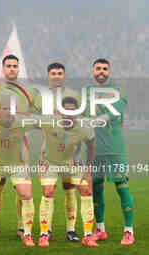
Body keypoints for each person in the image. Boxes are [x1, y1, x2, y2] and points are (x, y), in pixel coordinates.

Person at [0, 54, 40, 239]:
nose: (12, 69)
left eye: (15, 66)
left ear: (19, 68)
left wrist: (21, 116)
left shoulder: (29, 92)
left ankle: (22, 227)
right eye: (9, 66)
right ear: (3, 69)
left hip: (19, 145)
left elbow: (38, 115)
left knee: (22, 190)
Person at [84, 58, 134, 245]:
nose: (102, 71)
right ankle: (100, 229)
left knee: (122, 185)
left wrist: (103, 116)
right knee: (95, 187)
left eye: (105, 68)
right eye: (98, 68)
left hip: (114, 148)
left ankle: (128, 231)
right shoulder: (86, 93)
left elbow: (117, 109)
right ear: (92, 71)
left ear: (109, 71)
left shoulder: (117, 91)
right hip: (94, 148)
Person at [36, 97, 98, 247]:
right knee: (48, 191)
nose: (69, 113)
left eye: (72, 110)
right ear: (59, 112)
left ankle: (86, 235)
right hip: (49, 162)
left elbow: (91, 147)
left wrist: (88, 168)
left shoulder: (84, 127)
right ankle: (44, 233)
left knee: (85, 190)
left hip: (71, 162)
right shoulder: (50, 121)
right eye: (66, 110)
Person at [0, 95, 36, 247]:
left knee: (26, 194)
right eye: (4, 108)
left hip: (17, 165)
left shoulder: (23, 123)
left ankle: (27, 234)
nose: (8, 111)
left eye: (11, 109)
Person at [39, 62, 83, 241]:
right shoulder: (41, 98)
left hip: (71, 152)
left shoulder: (74, 96)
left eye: (60, 73)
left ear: (64, 75)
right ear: (48, 76)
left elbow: (81, 121)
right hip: (48, 151)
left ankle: (71, 230)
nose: (56, 76)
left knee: (69, 189)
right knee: (48, 191)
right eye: (53, 73)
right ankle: (45, 230)